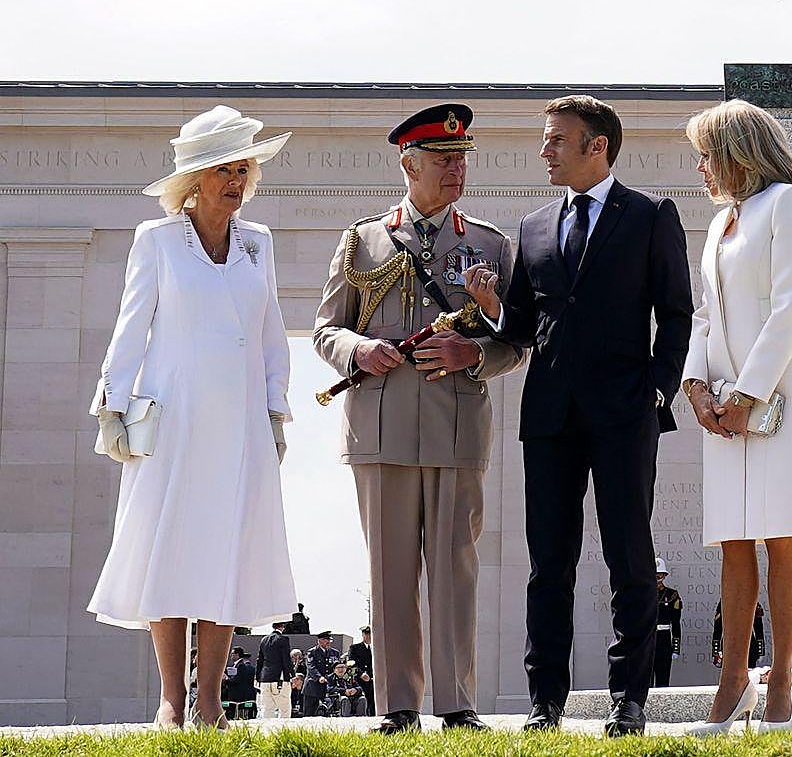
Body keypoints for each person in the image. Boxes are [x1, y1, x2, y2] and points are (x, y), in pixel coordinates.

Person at [312, 104, 523, 734]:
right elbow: (326, 328)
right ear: (409, 165)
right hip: (380, 426)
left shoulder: (489, 244)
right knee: (391, 571)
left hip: (457, 426)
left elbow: (518, 341)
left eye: (461, 159)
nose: (456, 169)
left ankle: (457, 705)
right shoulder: (362, 241)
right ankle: (397, 706)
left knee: (456, 568)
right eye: (442, 159)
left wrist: (474, 351)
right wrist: (358, 350)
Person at [87, 105, 299, 730]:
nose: (237, 181)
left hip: (238, 427)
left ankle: (210, 703)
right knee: (167, 546)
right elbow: (132, 328)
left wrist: (276, 407)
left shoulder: (260, 243)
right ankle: (172, 699)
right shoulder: (155, 241)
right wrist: (113, 406)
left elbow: (270, 335)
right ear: (196, 178)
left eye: (244, 169)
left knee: (224, 551)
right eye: (224, 170)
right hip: (172, 421)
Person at [501, 95, 693, 736]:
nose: (545, 150)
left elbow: (676, 311)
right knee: (547, 563)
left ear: (597, 147)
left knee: (629, 559)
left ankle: (629, 698)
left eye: (558, 139)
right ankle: (544, 703)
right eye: (545, 139)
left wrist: (658, 390)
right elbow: (523, 327)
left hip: (624, 414)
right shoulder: (531, 227)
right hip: (550, 415)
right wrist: (486, 307)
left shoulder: (647, 217)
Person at [681, 100, 792, 734]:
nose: (700, 168)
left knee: (781, 535)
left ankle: (778, 686)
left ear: (737, 152)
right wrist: (695, 385)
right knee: (734, 541)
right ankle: (732, 681)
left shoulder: (788, 204)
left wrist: (749, 391)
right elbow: (706, 315)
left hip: (774, 398)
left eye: (706, 154)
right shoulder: (722, 224)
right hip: (722, 399)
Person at [709, 601, 765, 671]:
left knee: (749, 673)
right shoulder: (725, 601)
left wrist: (760, 651)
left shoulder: (752, 600)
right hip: (729, 644)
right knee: (730, 674)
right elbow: (718, 628)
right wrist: (716, 651)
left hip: (749, 646)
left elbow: (758, 628)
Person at [255, 623, 295, 720]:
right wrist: (292, 674)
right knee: (284, 708)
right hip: (279, 678)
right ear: (283, 627)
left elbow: (259, 660)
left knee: (267, 709)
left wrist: (258, 677)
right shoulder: (283, 639)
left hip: (265, 678)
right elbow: (286, 659)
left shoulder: (264, 640)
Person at [654, 561, 682, 688]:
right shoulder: (643, 595)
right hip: (647, 640)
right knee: (645, 680)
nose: (658, 578)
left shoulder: (672, 595)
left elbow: (676, 623)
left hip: (664, 639)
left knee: (663, 679)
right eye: (655, 575)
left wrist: (675, 647)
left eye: (660, 575)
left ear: (664, 576)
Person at [221, 646, 258, 722]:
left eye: (232, 654)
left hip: (237, 694)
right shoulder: (236, 665)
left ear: (237, 655)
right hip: (234, 693)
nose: (231, 655)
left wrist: (226, 679)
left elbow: (237, 680)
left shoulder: (240, 665)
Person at [349, 626, 375, 708]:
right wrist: (361, 674)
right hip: (360, 681)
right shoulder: (355, 648)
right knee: (362, 704)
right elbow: (351, 664)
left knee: (373, 704)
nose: (368, 636)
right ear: (363, 635)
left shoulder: (377, 648)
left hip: (374, 681)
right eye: (366, 634)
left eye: (370, 634)